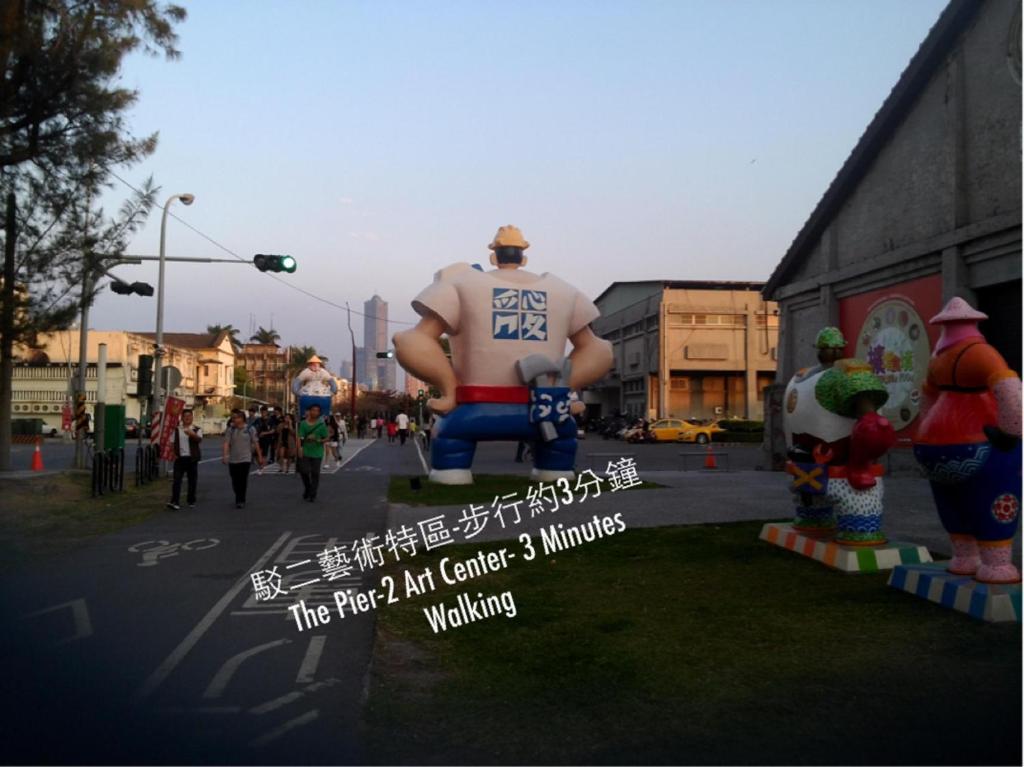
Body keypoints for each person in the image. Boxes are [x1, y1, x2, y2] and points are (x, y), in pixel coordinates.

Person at [392, 224, 613, 484]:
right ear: (523, 257)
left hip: (471, 413)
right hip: (550, 414)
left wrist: (449, 389)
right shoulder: (564, 291)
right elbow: (599, 349)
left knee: (451, 455)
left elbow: (411, 341)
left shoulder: (460, 283)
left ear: (493, 257)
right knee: (557, 462)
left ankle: (452, 474)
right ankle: (554, 470)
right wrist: (563, 392)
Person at [223, 409, 263, 508]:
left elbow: (256, 443)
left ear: (242, 418)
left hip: (245, 458)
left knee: (242, 479)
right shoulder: (230, 430)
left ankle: (240, 499)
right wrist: (225, 455)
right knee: (234, 480)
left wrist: (260, 457)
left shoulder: (250, 429)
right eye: (233, 418)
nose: (234, 420)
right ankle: (238, 495)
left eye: (236, 418)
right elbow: (226, 443)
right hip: (233, 459)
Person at [167, 409, 202, 510]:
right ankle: (175, 501)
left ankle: (191, 500)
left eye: (189, 416)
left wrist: (192, 434)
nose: (187, 418)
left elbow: (199, 440)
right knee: (177, 480)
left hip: (192, 458)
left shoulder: (197, 429)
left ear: (192, 417)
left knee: (192, 480)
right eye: (185, 416)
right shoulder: (177, 429)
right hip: (180, 458)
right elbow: (171, 442)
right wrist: (173, 453)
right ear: (182, 418)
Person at [297, 403, 329, 501]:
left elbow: (327, 437)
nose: (315, 412)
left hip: (317, 452)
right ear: (309, 411)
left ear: (319, 413)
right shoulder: (303, 424)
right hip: (306, 451)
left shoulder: (321, 425)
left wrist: (319, 440)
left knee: (315, 473)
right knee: (304, 471)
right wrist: (300, 448)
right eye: (313, 410)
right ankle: (308, 488)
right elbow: (300, 437)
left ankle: (313, 493)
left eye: (317, 411)